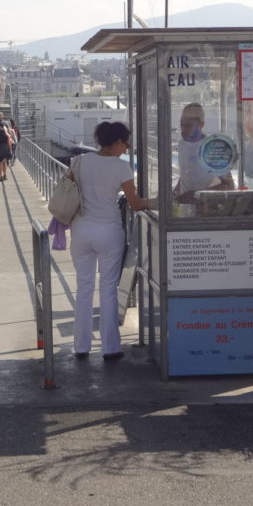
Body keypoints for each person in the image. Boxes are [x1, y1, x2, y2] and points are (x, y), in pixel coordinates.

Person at [69, 121, 151, 361]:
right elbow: (135, 204)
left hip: (81, 231)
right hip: (108, 231)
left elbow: (68, 190)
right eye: (125, 144)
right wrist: (156, 201)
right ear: (116, 142)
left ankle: (81, 346)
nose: (126, 149)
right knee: (107, 289)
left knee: (83, 288)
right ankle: (110, 348)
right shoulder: (122, 168)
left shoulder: (79, 162)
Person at [173, 102, 236, 203]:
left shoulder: (212, 148)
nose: (183, 130)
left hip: (209, 209)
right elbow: (187, 175)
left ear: (201, 125)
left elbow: (229, 186)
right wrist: (175, 193)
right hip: (187, 210)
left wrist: (196, 195)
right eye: (182, 125)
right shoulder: (183, 146)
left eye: (189, 126)